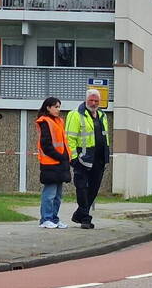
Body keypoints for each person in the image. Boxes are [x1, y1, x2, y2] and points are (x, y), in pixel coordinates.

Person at [66, 88, 110, 229]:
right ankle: (85, 218)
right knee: (82, 188)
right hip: (82, 158)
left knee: (94, 189)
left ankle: (79, 214)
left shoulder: (102, 115)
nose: (93, 103)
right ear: (86, 100)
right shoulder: (75, 115)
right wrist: (73, 157)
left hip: (99, 159)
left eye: (96, 100)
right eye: (91, 100)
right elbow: (69, 138)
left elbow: (105, 137)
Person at [35, 97, 71, 229]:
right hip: (50, 163)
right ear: (48, 107)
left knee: (57, 195)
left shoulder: (59, 121)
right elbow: (46, 145)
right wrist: (60, 156)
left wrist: (65, 158)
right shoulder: (45, 121)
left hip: (60, 163)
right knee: (50, 194)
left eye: (59, 107)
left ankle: (54, 219)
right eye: (56, 107)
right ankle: (46, 219)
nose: (58, 109)